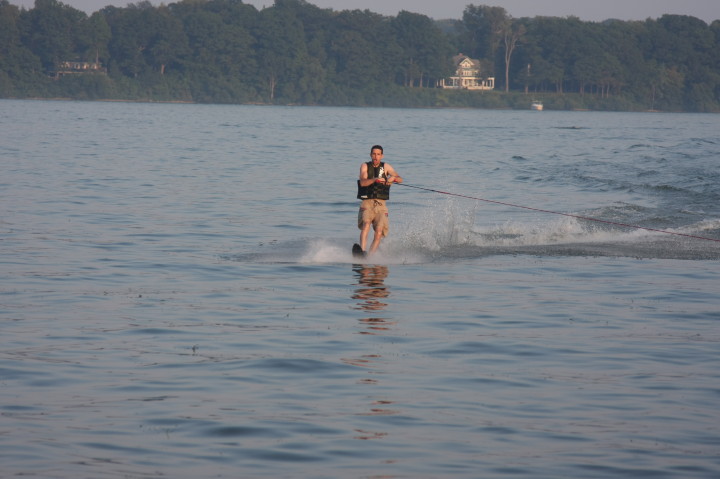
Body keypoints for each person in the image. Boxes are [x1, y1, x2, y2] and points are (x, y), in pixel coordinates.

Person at [356, 145, 402, 256]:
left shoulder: (386, 166)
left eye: (378, 154)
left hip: (381, 205)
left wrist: (393, 178)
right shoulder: (365, 166)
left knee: (379, 232)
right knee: (366, 224)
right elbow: (362, 182)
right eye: (374, 154)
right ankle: (362, 252)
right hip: (367, 203)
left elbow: (400, 179)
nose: (376, 156)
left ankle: (370, 256)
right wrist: (375, 179)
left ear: (382, 156)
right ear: (370, 155)